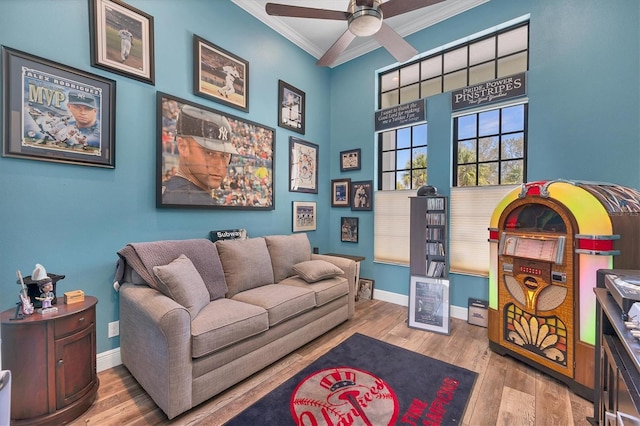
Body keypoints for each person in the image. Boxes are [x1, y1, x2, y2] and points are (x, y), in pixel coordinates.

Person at [162, 105, 238, 205]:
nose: (220, 165)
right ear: (183, 146)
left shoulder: (169, 189)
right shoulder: (195, 200)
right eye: (209, 153)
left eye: (224, 155)